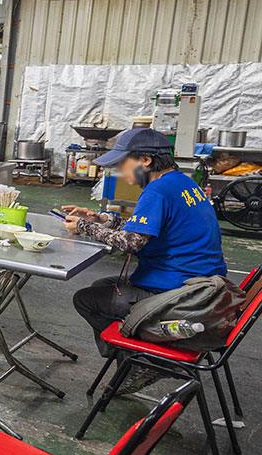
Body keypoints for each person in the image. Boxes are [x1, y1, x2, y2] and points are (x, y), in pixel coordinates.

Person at [68, 127, 228, 357]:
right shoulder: (182, 183)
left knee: (85, 300)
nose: (120, 171)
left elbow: (131, 242)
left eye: (123, 163)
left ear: (145, 160)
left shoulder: (157, 190)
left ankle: (136, 359)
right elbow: (148, 227)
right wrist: (102, 219)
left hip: (180, 295)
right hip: (205, 289)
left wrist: (84, 227)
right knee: (100, 286)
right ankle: (132, 355)